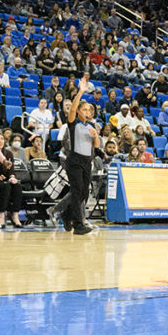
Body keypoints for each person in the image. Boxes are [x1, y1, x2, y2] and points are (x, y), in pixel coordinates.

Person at [63, 74, 99, 235]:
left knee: (84, 193)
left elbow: (96, 147)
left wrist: (96, 136)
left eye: (88, 110)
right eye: (84, 109)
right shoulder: (73, 122)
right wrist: (80, 92)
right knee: (77, 191)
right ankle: (78, 225)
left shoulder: (91, 125)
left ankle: (66, 215)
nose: (87, 111)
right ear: (78, 111)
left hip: (86, 162)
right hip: (74, 160)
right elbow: (72, 109)